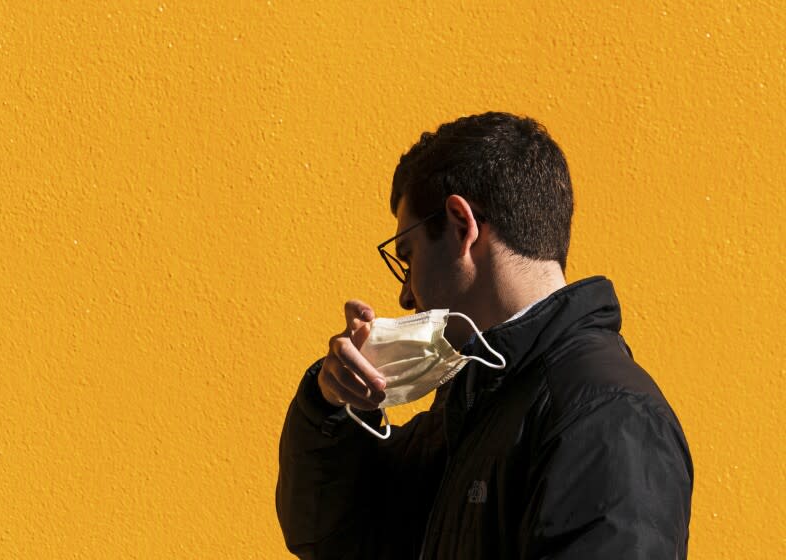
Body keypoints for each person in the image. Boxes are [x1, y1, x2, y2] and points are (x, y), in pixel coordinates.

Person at [276, 112, 693, 559]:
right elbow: (331, 537)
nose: (404, 295)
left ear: (461, 224)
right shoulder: (472, 409)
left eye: (407, 257)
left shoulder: (606, 417)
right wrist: (332, 407)